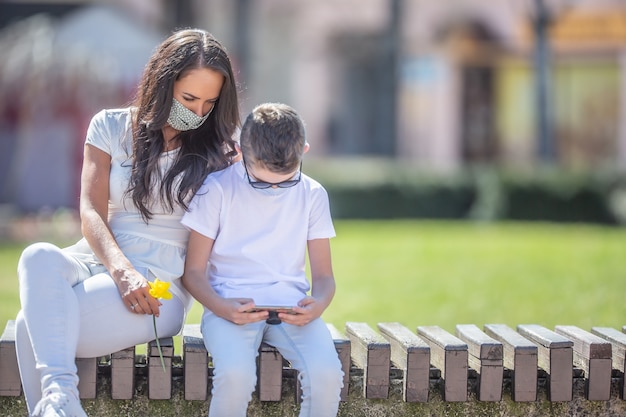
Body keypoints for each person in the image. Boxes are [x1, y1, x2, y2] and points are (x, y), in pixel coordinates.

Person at [14, 28, 240, 417]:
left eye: (209, 103)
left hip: (161, 281)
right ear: (161, 82)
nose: (198, 112)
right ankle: (61, 403)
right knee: (37, 256)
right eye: (188, 98)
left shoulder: (221, 146)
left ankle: (59, 402)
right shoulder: (110, 126)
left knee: (27, 327)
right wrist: (121, 270)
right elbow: (90, 211)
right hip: (100, 257)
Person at [181, 102, 344, 417]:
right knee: (235, 376)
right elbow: (193, 273)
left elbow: (324, 277)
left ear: (304, 153)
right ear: (241, 151)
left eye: (286, 181)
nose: (273, 188)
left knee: (326, 375)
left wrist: (319, 304)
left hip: (292, 309)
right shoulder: (216, 190)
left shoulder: (312, 195)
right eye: (261, 181)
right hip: (228, 307)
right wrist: (221, 307)